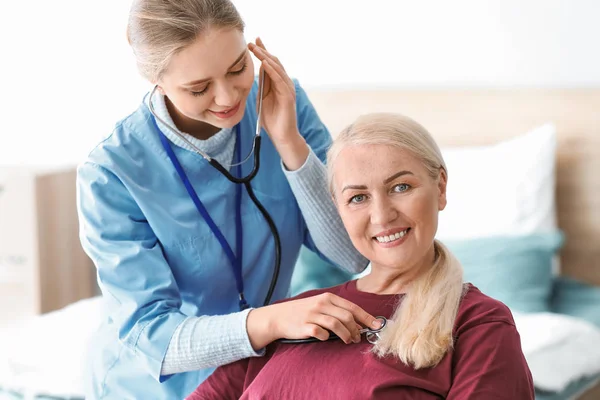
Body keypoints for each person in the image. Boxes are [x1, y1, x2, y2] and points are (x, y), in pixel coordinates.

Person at [76, 0, 380, 398]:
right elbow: (151, 335)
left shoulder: (280, 103)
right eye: (198, 88)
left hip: (263, 374)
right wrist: (271, 321)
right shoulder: (112, 173)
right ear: (155, 79)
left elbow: (352, 255)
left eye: (238, 68)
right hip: (152, 388)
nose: (227, 98)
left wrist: (289, 142)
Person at [189, 113, 535, 399]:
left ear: (440, 188)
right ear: (338, 209)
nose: (382, 216)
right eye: (358, 198)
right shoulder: (299, 312)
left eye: (401, 187)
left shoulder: (478, 324)